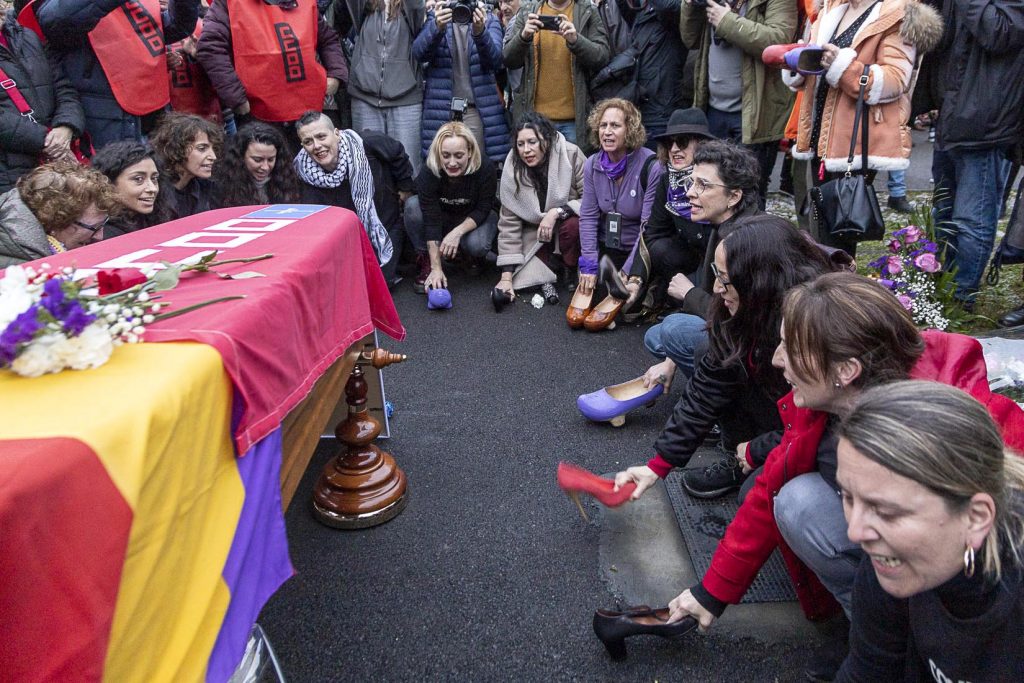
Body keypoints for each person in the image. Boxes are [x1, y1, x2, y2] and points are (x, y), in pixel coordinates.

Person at [658, 273, 1024, 680]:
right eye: (850, 497)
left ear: (846, 370)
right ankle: (869, 625)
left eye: (790, 348)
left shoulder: (953, 435)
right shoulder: (827, 406)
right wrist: (711, 594)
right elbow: (769, 486)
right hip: (930, 568)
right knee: (793, 500)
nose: (778, 359)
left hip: (979, 572)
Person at [612, 216, 831, 504]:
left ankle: (752, 458)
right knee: (712, 353)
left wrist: (759, 450)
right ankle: (737, 456)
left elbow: (823, 429)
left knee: (766, 499)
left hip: (822, 440)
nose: (715, 287)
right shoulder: (738, 309)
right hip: (782, 417)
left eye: (725, 279)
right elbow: (705, 390)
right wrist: (658, 465)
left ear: (760, 281)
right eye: (716, 272)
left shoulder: (817, 325)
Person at [835, 381, 1024, 681]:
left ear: (975, 518)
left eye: (885, 511)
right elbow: (866, 672)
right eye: (846, 496)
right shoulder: (891, 565)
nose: (856, 533)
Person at [784, 0, 942, 257]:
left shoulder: (897, 13)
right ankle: (821, 287)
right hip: (817, 139)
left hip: (854, 144)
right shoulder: (832, 7)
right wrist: (798, 62)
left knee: (838, 236)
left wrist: (842, 66)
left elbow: (895, 80)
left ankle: (838, 291)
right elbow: (814, 65)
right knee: (816, 228)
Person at [640, 139, 760, 386]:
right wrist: (670, 361)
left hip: (756, 351)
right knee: (658, 336)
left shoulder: (743, 243)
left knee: (673, 329)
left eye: (702, 185)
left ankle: (727, 403)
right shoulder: (724, 225)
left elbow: (741, 324)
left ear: (734, 196)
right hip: (737, 334)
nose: (690, 192)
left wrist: (689, 294)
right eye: (692, 182)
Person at [930, 0, 1024, 309]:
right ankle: (938, 284)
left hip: (988, 123)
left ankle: (961, 296)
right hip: (951, 114)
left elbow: (999, 34)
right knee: (942, 213)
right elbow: (937, 40)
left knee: (972, 219)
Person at [30, 0, 200, 148]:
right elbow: (56, 19)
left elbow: (174, 27)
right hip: (102, 117)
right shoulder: (56, 9)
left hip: (151, 111)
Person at [679, 0, 797, 205]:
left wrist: (727, 21)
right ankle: (718, 238)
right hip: (712, 109)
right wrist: (690, 5)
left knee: (748, 191)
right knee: (711, 187)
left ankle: (750, 237)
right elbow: (691, 39)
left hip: (754, 114)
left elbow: (779, 40)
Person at [569, 98, 660, 330]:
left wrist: (629, 271)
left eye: (615, 126)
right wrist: (588, 264)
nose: (607, 132)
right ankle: (598, 275)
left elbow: (647, 227)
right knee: (584, 303)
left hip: (636, 251)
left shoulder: (651, 166)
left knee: (629, 308)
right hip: (607, 246)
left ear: (630, 130)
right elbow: (588, 216)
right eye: (603, 125)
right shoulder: (592, 164)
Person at [620, 108, 715, 318]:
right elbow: (653, 232)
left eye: (681, 142)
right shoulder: (668, 181)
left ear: (702, 145)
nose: (674, 149)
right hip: (690, 255)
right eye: (668, 143)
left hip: (719, 260)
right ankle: (672, 296)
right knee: (660, 247)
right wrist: (635, 280)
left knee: (696, 302)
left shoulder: (718, 180)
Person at [196, 0, 347, 128]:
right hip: (257, 113)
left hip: (310, 107)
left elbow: (328, 39)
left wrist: (336, 74)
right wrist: (235, 97)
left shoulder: (306, 2)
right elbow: (210, 46)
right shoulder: (229, 3)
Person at [495, 112, 585, 301]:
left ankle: (570, 265)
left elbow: (592, 200)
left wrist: (557, 212)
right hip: (535, 233)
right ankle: (551, 265)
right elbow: (508, 224)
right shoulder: (513, 169)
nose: (526, 150)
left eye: (532, 142)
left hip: (566, 224)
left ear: (548, 139)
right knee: (527, 275)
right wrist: (506, 278)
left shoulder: (571, 154)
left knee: (574, 226)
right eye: (521, 144)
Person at [404, 121, 497, 292]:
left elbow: (484, 208)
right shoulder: (429, 171)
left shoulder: (485, 168)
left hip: (473, 218)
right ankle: (427, 259)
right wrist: (436, 269)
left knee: (478, 244)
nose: (452, 163)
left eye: (458, 155)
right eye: (446, 155)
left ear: (469, 152)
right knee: (412, 206)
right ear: (438, 154)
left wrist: (457, 233)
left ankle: (468, 255)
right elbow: (431, 219)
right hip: (441, 217)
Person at [292, 111, 394, 267]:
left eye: (321, 136)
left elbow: (399, 154)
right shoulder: (301, 170)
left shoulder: (367, 143)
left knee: (381, 282)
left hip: (382, 225)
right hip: (337, 238)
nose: (317, 146)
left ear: (337, 134)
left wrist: (405, 189)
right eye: (308, 141)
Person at [413, 0, 510, 164]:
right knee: (442, 167)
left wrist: (480, 33)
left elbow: (495, 62)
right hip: (441, 108)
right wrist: (436, 27)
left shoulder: (488, 19)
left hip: (475, 110)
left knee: (475, 165)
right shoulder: (438, 16)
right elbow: (419, 54)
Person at [0, 4, 84, 193]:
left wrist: (66, 126)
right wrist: (47, 140)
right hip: (9, 174)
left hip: (56, 161)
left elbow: (63, 87)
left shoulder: (29, 37)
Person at [502, 0, 609, 148]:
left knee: (574, 170)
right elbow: (508, 59)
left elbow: (602, 57)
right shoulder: (528, 11)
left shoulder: (587, 10)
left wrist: (576, 40)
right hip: (536, 121)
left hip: (575, 121)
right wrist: (523, 36)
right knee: (538, 171)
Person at [336, 0, 426, 175]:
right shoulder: (365, 6)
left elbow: (417, 10)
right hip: (364, 96)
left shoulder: (412, 8)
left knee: (409, 166)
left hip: (406, 98)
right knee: (365, 166)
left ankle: (408, 202)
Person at [0, 162, 118, 265]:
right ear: (57, 221)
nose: (100, 236)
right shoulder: (21, 263)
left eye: (103, 224)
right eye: (95, 228)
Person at [613, 0, 687, 143]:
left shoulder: (675, 11)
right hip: (639, 106)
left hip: (661, 111)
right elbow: (623, 5)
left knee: (657, 162)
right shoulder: (641, 13)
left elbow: (667, 7)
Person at [92, 141, 173, 238]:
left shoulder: (153, 218)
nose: (153, 189)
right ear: (109, 182)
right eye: (138, 179)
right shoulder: (101, 233)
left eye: (154, 178)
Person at [150, 112, 223, 219]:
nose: (213, 156)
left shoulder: (205, 186)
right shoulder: (153, 191)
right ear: (176, 149)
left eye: (213, 149)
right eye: (202, 148)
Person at [213, 122, 301, 208]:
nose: (265, 167)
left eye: (270, 160)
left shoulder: (285, 180)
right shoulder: (220, 187)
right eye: (257, 160)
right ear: (241, 156)